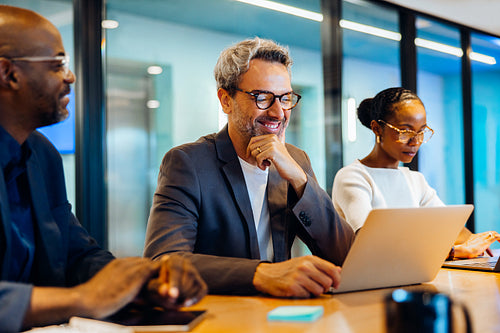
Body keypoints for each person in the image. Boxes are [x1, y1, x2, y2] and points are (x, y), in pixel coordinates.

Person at [0, 5, 206, 332]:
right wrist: (80, 299)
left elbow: (77, 255)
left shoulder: (42, 155)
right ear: (8, 73)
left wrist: (143, 281)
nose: (70, 77)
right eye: (57, 65)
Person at [144, 37, 354, 298]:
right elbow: (164, 261)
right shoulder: (187, 163)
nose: (278, 113)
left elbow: (345, 256)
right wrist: (260, 274)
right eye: (262, 97)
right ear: (226, 100)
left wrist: (300, 180)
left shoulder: (295, 161)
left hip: (281, 315)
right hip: (221, 317)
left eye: (285, 98)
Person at [332, 87, 500, 259]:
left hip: (409, 276)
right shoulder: (352, 177)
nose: (415, 142)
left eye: (421, 132)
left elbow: (448, 227)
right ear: (377, 128)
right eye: (405, 132)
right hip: (369, 281)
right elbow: (371, 242)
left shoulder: (414, 179)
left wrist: (475, 240)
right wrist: (453, 251)